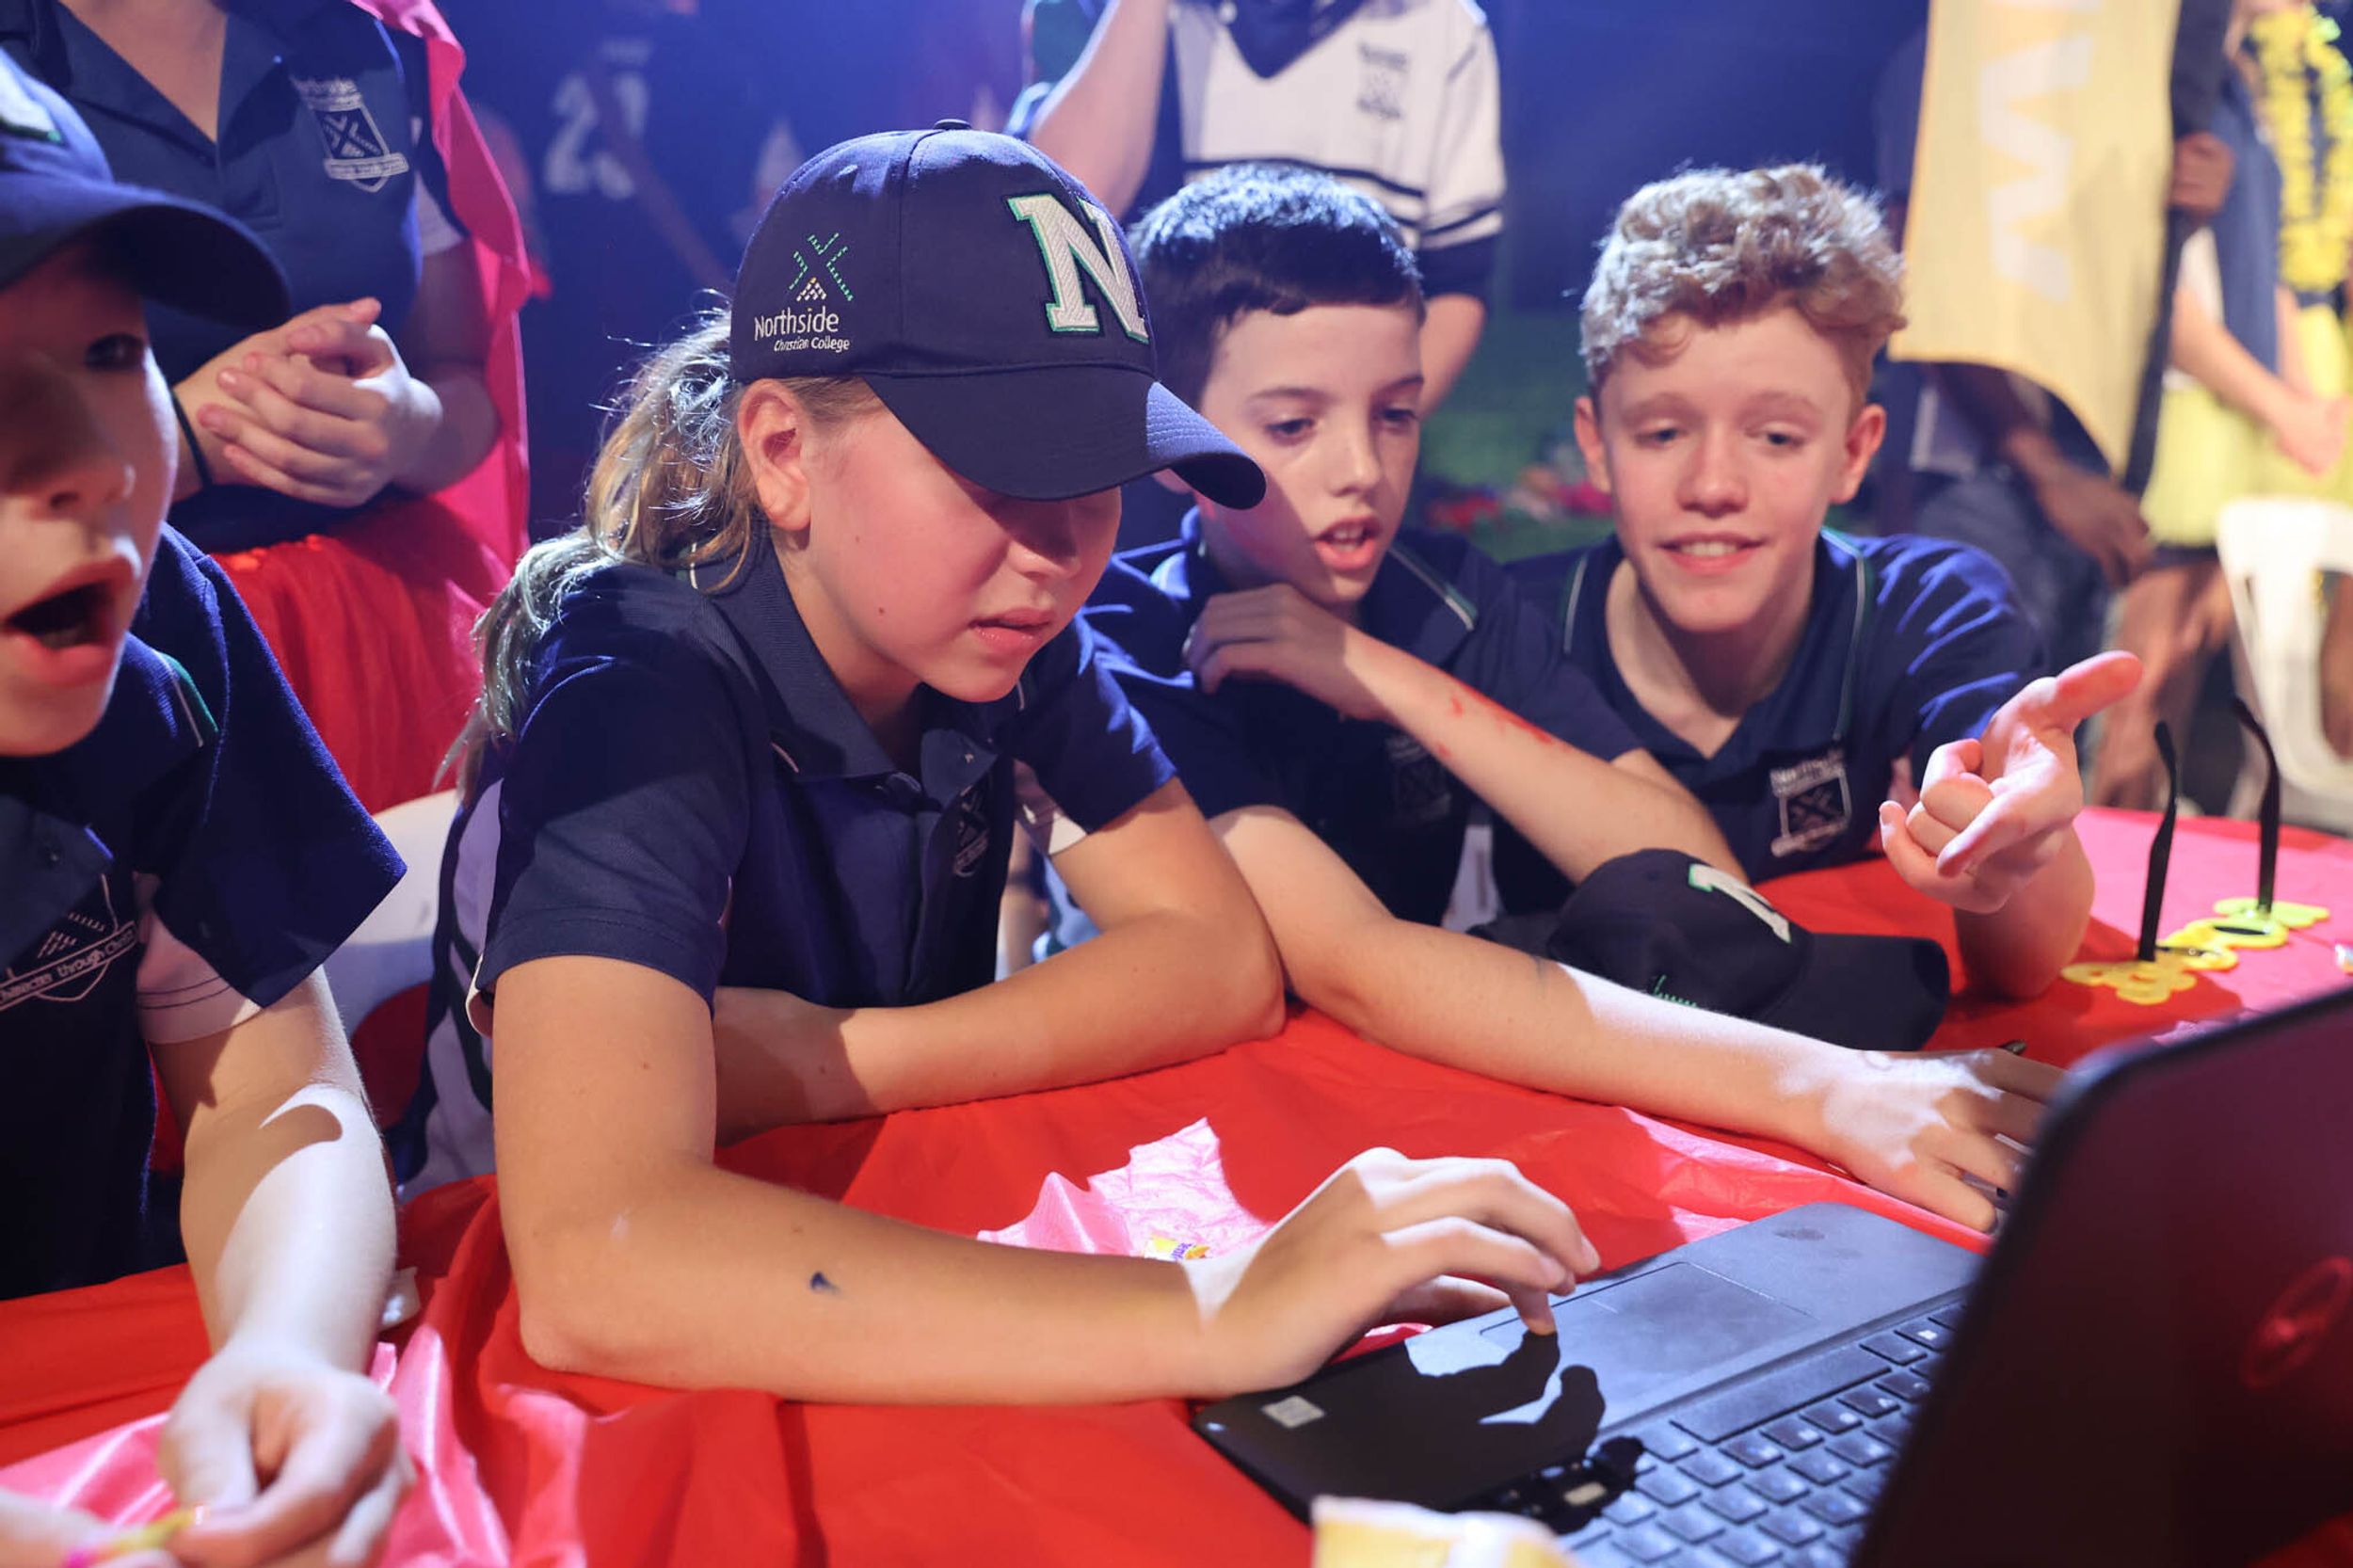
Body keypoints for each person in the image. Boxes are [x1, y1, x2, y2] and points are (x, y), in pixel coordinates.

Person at [422, 124, 1598, 1401]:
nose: (1059, 550)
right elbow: (601, 1261)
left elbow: (1217, 960)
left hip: (862, 1239)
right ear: (782, 452)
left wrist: (824, 1059)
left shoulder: (997, 627)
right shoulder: (641, 678)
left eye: (1098, 473)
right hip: (536, 1354)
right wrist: (1218, 1307)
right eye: (997, 472)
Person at [1068, 162, 2057, 1236]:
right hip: (1173, 1148)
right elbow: (1357, 964)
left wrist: (1387, 678)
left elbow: (1690, 870)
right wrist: (1822, 1087)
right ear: (1174, 443)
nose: (1360, 467)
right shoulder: (1127, 642)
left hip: (1391, 1104)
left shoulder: (1444, 594)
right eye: (1293, 426)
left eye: (1395, 414)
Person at [0, 56, 408, 1567]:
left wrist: (288, 1353)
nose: (92, 459)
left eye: (112, 349)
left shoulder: (158, 633)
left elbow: (272, 1087)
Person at [1497, 166, 2140, 1011]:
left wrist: (2015, 838)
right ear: (1595, 443)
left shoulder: (1930, 611)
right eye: (1662, 432)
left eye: (1776, 436)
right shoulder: (1508, 628)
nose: (1714, 485)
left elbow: (2024, 968)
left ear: (1853, 451)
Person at [3, 0, 533, 808]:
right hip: (111, 628)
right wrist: (181, 439)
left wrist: (408, 427)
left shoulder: (375, 37)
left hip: (391, 623)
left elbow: (464, 378)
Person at [1870, 10, 2238, 678]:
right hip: (1966, 467)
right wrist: (2045, 469)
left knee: (2054, 721)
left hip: (2094, 461)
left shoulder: (2124, 66)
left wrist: (2190, 192)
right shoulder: (1949, 51)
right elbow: (1916, 277)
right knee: (1960, 720)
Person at [2100, 0, 2353, 808]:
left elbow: (2265, 264)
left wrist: (2304, 399)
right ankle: (2108, 855)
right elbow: (2164, 291)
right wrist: (2285, 406)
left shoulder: (2246, 81)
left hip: (2257, 402)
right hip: (2189, 403)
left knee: (2212, 657)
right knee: (2143, 684)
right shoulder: (2175, 77)